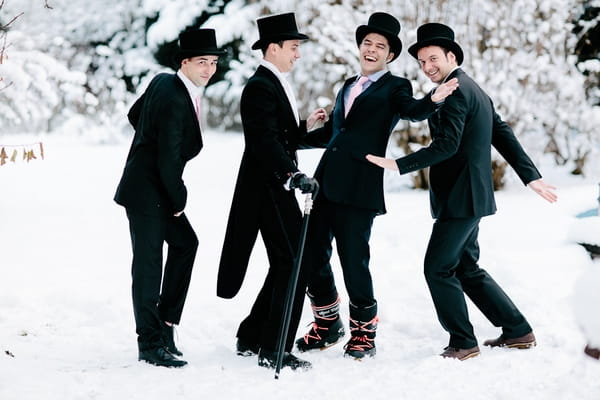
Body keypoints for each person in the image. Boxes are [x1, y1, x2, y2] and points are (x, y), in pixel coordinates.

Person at [366, 22, 558, 360]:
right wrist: (530, 176)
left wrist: (399, 164)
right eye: (422, 62)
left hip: (461, 196)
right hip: (470, 195)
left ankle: (463, 342)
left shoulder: (456, 91)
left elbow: (446, 147)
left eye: (433, 59)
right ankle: (517, 330)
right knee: (466, 268)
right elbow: (501, 131)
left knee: (437, 268)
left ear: (451, 55)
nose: (428, 68)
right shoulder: (471, 87)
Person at [295, 12, 458, 360]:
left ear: (390, 55)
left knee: (354, 261)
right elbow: (335, 136)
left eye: (380, 46)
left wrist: (434, 99)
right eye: (367, 43)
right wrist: (293, 136)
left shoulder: (395, 87)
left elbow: (413, 111)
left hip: (359, 189)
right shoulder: (347, 86)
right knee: (311, 255)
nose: (371, 49)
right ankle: (327, 325)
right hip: (325, 185)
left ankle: (363, 333)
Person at [216, 12, 328, 371]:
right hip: (268, 189)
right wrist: (292, 174)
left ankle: (252, 335)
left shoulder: (273, 82)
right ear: (274, 47)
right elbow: (263, 142)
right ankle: (274, 347)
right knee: (298, 260)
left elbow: (278, 134)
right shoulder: (259, 87)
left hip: (271, 186)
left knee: (287, 261)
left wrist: (303, 127)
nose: (297, 54)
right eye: (293, 47)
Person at [114, 29, 225, 368]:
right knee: (148, 266)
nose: (209, 69)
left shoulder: (165, 82)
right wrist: (178, 200)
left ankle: (165, 324)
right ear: (185, 62)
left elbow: (136, 115)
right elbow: (167, 159)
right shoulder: (176, 97)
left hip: (154, 185)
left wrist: (150, 142)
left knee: (185, 244)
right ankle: (149, 343)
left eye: (214, 63)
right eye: (202, 62)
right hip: (148, 192)